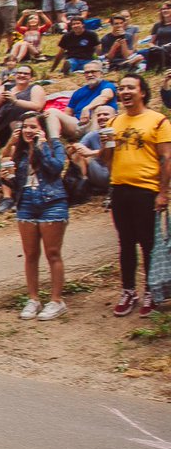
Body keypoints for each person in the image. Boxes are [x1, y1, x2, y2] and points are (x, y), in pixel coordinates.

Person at [100, 74, 171, 318]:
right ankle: (128, 290)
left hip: (146, 190)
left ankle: (152, 291)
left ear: (142, 92)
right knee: (125, 243)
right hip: (120, 188)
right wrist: (104, 145)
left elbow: (167, 158)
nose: (125, 91)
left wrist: (163, 193)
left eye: (130, 87)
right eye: (121, 88)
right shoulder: (115, 121)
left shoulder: (158, 121)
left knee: (148, 243)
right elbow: (107, 160)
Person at [11, 112, 70, 320]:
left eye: (33, 127)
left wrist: (42, 146)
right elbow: (18, 182)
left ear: (42, 129)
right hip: (26, 202)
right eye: (25, 127)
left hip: (52, 201)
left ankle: (56, 300)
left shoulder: (54, 146)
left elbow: (55, 169)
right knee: (30, 254)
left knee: (53, 253)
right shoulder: (18, 151)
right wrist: (7, 179)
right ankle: (33, 298)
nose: (28, 131)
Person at [47, 61, 116, 142]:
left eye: (93, 72)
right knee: (51, 111)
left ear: (101, 73)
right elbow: (67, 113)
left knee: (99, 109)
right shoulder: (78, 92)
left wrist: (87, 108)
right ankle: (55, 143)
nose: (90, 75)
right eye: (87, 73)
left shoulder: (107, 86)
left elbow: (105, 97)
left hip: (97, 124)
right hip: (78, 124)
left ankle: (90, 142)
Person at [0, 63, 46, 149]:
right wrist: (0, 99)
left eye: (26, 74)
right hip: (0, 123)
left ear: (31, 77)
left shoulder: (35, 88)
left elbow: (38, 106)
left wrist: (15, 101)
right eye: (19, 73)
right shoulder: (6, 87)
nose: (22, 75)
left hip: (20, 123)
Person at [67, 105, 117, 195]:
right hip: (99, 172)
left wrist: (91, 153)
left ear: (115, 116)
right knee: (77, 153)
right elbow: (71, 152)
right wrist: (75, 146)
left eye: (105, 114)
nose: (101, 117)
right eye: (99, 115)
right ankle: (81, 186)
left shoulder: (120, 132)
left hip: (117, 174)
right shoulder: (93, 134)